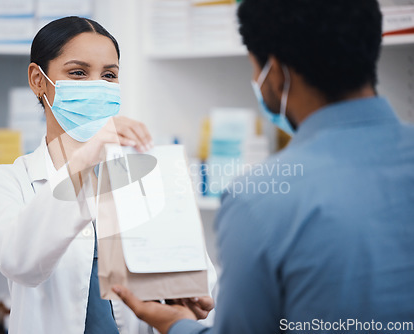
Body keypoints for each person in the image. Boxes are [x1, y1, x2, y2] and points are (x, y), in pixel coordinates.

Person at [112, 0, 414, 333]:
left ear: (277, 71)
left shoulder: (260, 198)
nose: (256, 78)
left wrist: (178, 325)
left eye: (254, 66)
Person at [0, 16, 217, 333]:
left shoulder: (144, 176)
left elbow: (200, 277)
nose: (97, 86)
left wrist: (186, 297)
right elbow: (20, 261)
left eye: (108, 75)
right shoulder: (4, 182)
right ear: (38, 79)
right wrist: (87, 157)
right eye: (78, 73)